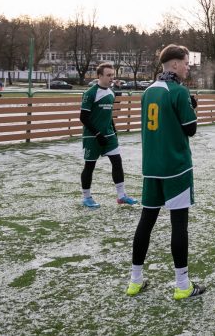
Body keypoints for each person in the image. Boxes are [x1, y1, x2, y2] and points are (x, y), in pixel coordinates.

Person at [127, 44, 204, 299]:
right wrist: (192, 106)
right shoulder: (179, 91)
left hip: (151, 168)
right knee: (179, 225)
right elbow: (190, 129)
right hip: (176, 168)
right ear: (173, 64)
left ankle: (134, 281)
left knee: (146, 223)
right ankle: (183, 286)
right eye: (185, 63)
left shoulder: (148, 92)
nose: (187, 67)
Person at [79, 62, 137, 208]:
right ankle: (86, 197)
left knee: (117, 162)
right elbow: (83, 118)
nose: (112, 78)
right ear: (99, 76)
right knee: (89, 166)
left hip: (109, 135)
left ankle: (121, 196)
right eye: (108, 75)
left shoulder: (111, 93)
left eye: (113, 75)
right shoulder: (90, 93)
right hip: (92, 136)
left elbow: (108, 115)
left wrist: (114, 130)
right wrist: (98, 134)